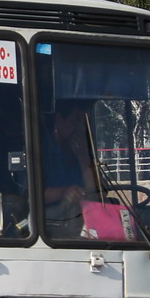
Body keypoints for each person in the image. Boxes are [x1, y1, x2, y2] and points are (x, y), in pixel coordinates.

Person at [43, 100, 98, 234]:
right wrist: (66, 192)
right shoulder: (43, 151)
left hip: (81, 219)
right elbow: (31, 196)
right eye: (74, 122)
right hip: (47, 222)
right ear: (58, 119)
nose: (79, 129)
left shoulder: (78, 152)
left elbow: (96, 194)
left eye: (83, 124)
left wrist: (84, 158)